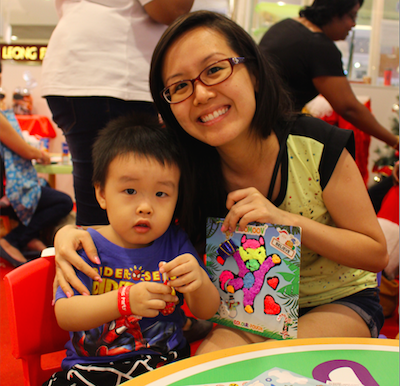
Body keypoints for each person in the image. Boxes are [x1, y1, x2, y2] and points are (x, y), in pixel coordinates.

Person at [52, 11, 388, 354]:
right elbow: (135, 217)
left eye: (214, 70)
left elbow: (375, 253)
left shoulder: (313, 146)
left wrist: (287, 220)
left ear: (254, 73)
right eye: (180, 86)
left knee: (277, 362)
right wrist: (67, 233)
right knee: (208, 367)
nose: (201, 94)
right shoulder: (186, 166)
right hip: (247, 310)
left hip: (338, 301)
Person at [43, 113, 220, 385]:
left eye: (161, 194)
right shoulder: (86, 245)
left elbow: (206, 311)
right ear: (101, 194)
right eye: (130, 191)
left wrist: (198, 283)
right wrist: (124, 301)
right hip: (92, 369)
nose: (145, 206)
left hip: (164, 366)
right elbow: (66, 314)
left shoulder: (175, 242)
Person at [41, 0, 195, 227]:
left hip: (84, 67)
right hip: (114, 74)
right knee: (121, 211)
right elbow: (171, 8)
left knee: (104, 206)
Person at [258, 0, 399, 150]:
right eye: (352, 16)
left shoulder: (285, 26)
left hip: (257, 119)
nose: (353, 24)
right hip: (269, 132)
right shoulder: (318, 45)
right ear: (334, 13)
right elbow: (349, 108)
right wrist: (395, 141)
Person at [0, 111, 73, 267]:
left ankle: (30, 238)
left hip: (7, 187)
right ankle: (14, 240)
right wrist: (41, 154)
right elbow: (24, 150)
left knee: (44, 188)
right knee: (64, 202)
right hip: (6, 192)